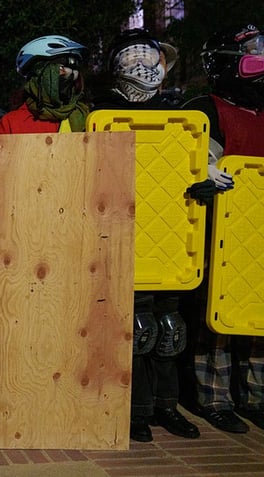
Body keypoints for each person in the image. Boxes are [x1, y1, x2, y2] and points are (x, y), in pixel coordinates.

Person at [91, 28, 204, 443]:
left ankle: (167, 407)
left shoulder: (181, 114)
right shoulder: (100, 114)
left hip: (173, 233)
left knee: (170, 329)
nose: (144, 66)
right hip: (124, 236)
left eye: (150, 57)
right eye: (132, 58)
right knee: (136, 330)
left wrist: (206, 176)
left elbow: (199, 158)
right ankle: (135, 411)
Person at [181, 23, 264, 434]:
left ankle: (256, 394)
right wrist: (204, 172)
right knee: (215, 317)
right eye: (252, 48)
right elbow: (182, 160)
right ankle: (214, 396)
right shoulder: (204, 108)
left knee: (259, 313)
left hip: (260, 231)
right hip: (220, 230)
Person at [0, 35, 90, 134]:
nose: (70, 76)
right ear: (37, 75)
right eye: (61, 69)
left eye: (74, 70)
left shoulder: (88, 118)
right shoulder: (11, 123)